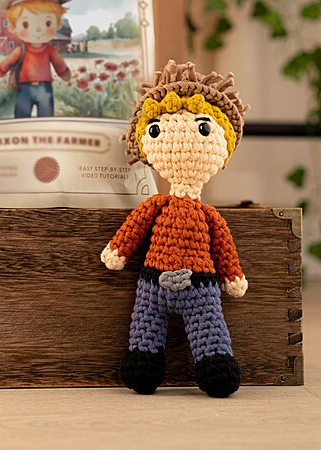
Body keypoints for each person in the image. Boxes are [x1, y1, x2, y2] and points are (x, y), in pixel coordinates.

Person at [101, 60, 250, 398]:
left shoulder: (209, 216)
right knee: (146, 326)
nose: (178, 138)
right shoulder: (157, 206)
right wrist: (119, 249)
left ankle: (215, 365)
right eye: (155, 130)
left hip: (199, 285)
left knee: (209, 328)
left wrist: (232, 275)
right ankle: (143, 364)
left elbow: (223, 245)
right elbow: (135, 227)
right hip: (154, 283)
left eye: (202, 128)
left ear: (224, 148)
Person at [0, 0, 71, 118]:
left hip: (44, 88)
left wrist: (64, 73)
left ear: (58, 25)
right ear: (13, 27)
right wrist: (0, 70)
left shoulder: (50, 51)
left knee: (46, 117)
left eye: (48, 23)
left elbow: (59, 65)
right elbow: (8, 62)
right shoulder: (21, 50)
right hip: (25, 88)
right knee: (22, 118)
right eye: (25, 24)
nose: (37, 30)